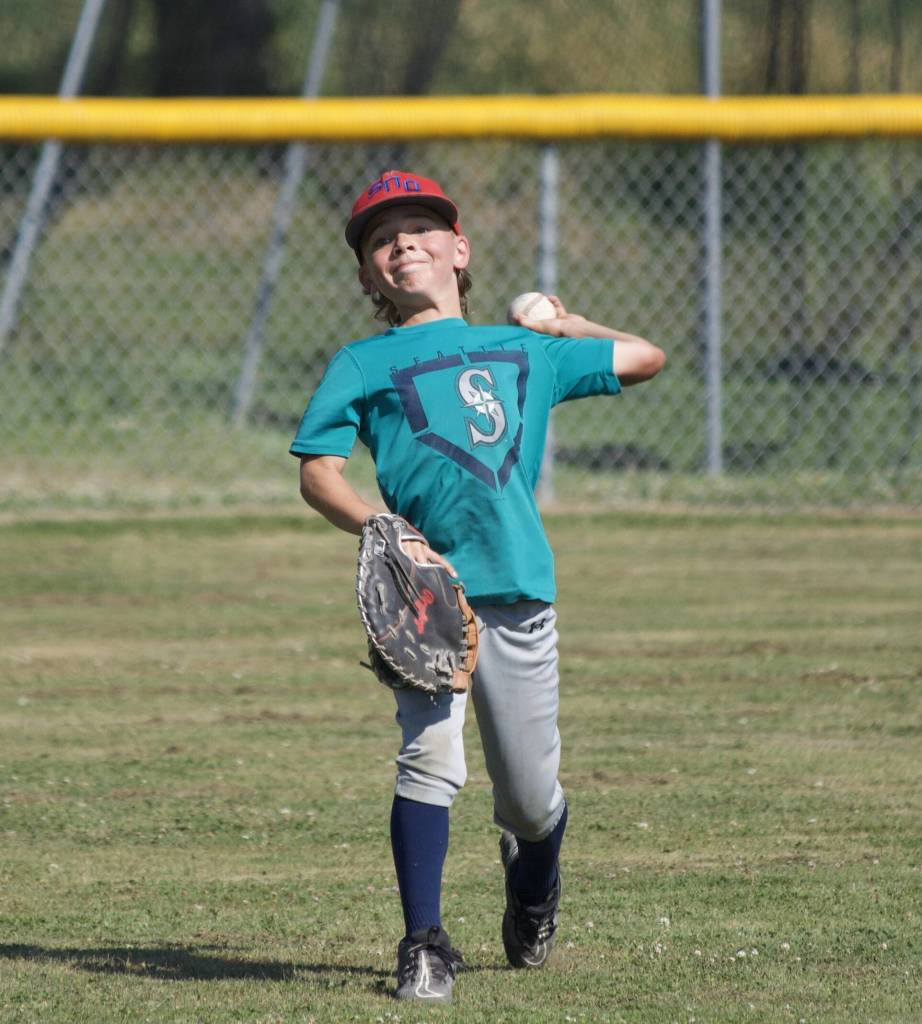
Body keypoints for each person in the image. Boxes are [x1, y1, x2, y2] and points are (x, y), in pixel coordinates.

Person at [290, 169, 665, 1003]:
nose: (402, 244)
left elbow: (645, 357)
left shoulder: (525, 349)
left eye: (421, 227)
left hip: (520, 587)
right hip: (426, 589)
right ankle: (423, 942)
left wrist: (567, 323)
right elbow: (319, 473)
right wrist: (380, 530)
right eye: (381, 239)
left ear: (460, 252)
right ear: (366, 278)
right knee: (428, 760)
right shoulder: (363, 362)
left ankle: (532, 882)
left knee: (530, 802)